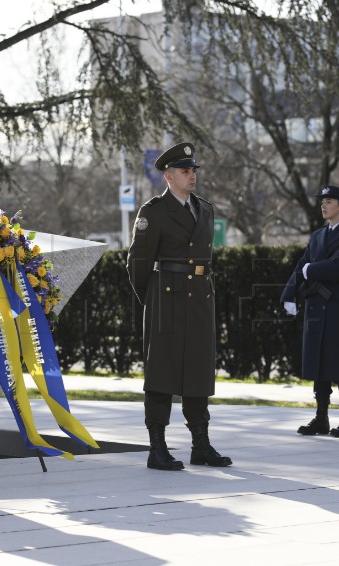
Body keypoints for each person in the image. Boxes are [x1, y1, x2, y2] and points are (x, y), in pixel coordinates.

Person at [126, 142, 231, 471]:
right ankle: (157, 448)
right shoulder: (153, 212)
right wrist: (153, 301)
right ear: (169, 176)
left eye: (194, 170)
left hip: (200, 297)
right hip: (166, 298)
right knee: (162, 374)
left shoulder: (206, 209)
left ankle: (201, 444)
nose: (192, 175)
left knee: (199, 372)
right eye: (185, 171)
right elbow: (138, 264)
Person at [281, 186, 339, 438]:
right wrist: (288, 293)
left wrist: (312, 271)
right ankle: (321, 417)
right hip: (317, 304)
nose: (323, 205)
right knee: (319, 362)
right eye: (322, 202)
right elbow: (301, 265)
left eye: (329, 201)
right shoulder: (318, 235)